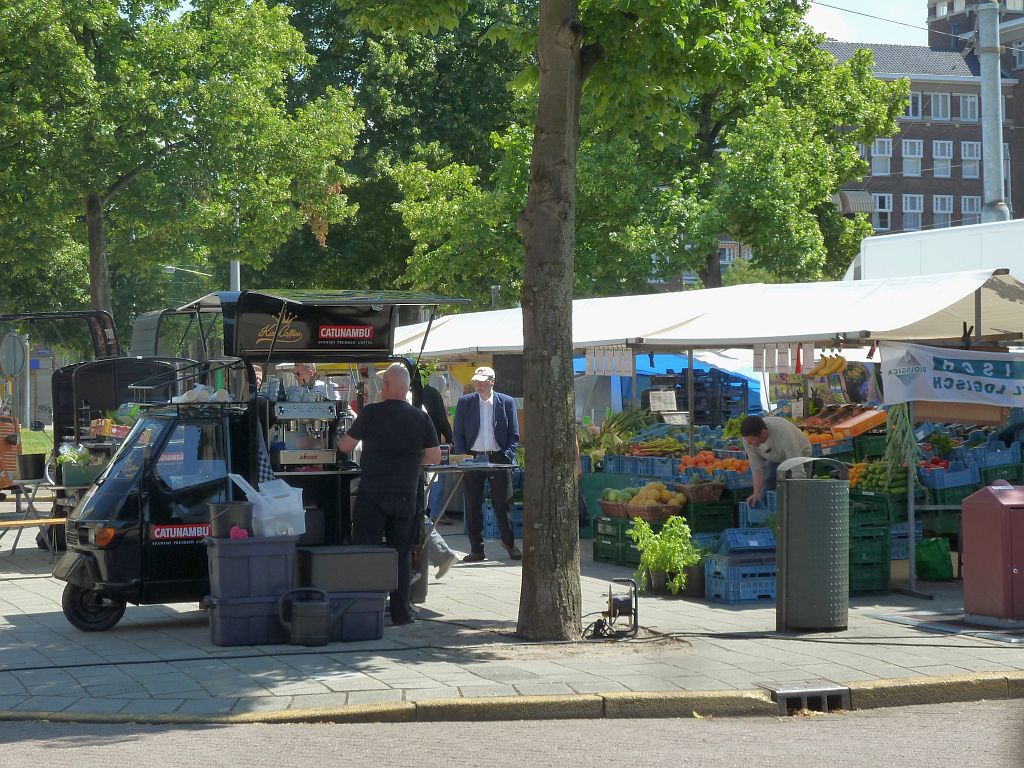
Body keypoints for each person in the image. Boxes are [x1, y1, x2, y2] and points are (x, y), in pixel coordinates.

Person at [337, 362, 440, 626]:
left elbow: (345, 446)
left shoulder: (371, 413)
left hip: (372, 493)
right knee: (402, 553)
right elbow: (433, 457)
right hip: (405, 493)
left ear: (384, 387)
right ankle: (401, 613)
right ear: (406, 389)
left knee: (367, 551)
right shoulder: (421, 417)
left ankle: (366, 609)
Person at [453, 365, 521, 563]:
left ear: (492, 381)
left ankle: (509, 543)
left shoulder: (506, 402)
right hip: (473, 457)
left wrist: (507, 455)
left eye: (482, 382)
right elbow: (458, 431)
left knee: (503, 503)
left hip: (498, 457)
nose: (478, 385)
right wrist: (463, 455)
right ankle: (477, 549)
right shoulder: (465, 402)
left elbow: (514, 434)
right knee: (473, 504)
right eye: (476, 381)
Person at [418, 370, 459, 578]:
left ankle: (441, 555)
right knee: (417, 512)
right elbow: (441, 420)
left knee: (415, 512)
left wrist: (451, 442)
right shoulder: (429, 394)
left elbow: (440, 420)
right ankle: (439, 555)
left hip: (421, 456)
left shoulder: (426, 395)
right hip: (425, 454)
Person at [740, 415, 812, 507]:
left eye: (752, 441)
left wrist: (795, 495)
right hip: (775, 458)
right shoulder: (748, 439)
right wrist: (756, 493)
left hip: (799, 457)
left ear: (763, 433)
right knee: (765, 492)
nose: (749, 444)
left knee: (794, 499)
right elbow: (757, 468)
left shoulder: (784, 434)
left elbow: (798, 473)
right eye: (748, 441)